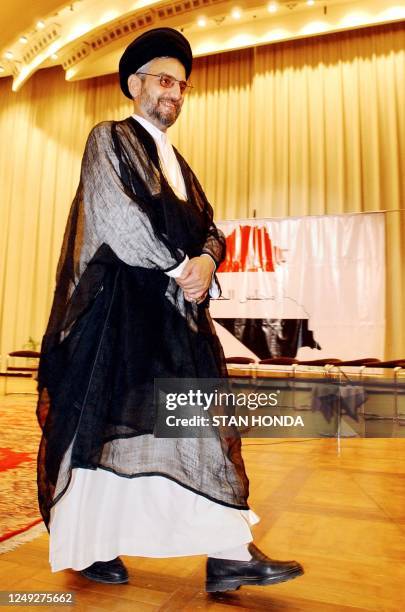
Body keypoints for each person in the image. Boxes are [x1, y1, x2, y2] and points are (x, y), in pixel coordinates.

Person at [36, 27, 304, 593]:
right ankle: (89, 547)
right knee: (102, 435)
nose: (175, 93)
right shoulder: (109, 138)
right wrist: (182, 269)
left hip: (175, 320)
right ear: (134, 85)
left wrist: (207, 259)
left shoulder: (178, 161)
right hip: (117, 322)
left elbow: (209, 225)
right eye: (164, 80)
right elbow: (115, 219)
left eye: (182, 85)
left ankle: (229, 552)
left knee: (196, 430)